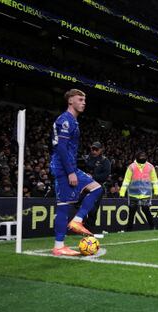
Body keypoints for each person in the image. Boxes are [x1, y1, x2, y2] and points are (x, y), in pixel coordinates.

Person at [50, 89, 102, 256]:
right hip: (63, 168)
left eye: (84, 100)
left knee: (96, 188)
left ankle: (76, 222)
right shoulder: (65, 120)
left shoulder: (72, 121)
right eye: (80, 99)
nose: (83, 102)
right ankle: (59, 245)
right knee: (63, 206)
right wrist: (70, 172)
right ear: (70, 100)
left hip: (68, 167)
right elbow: (61, 148)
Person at [119, 151, 158, 231]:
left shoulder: (150, 167)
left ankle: (152, 227)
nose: (142, 157)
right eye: (141, 156)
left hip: (146, 194)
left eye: (144, 156)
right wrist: (122, 192)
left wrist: (156, 191)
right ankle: (129, 230)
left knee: (146, 210)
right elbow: (126, 180)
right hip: (133, 194)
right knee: (132, 212)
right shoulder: (131, 167)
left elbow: (154, 180)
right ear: (137, 157)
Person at [83, 141, 111, 230]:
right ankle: (81, 226)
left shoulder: (105, 161)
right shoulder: (86, 158)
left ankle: (89, 228)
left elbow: (105, 175)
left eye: (96, 149)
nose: (94, 151)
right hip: (83, 186)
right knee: (80, 206)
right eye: (93, 149)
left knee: (93, 208)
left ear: (101, 150)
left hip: (97, 187)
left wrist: (92, 177)